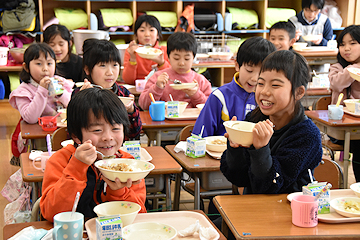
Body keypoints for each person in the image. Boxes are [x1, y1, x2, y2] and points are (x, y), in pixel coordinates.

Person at [221, 50, 322, 194]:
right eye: (260, 83)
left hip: (291, 210)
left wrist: (261, 149)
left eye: (275, 85)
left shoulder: (307, 135)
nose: (264, 92)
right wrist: (234, 148)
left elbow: (271, 186)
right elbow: (239, 178)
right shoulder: (254, 119)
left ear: (298, 92)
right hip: (254, 208)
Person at [40, 88, 147, 221]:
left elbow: (139, 216)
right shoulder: (60, 161)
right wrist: (77, 166)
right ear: (76, 136)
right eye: (97, 130)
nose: (108, 137)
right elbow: (51, 213)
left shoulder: (129, 164)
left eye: (115, 129)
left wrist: (118, 190)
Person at [192, 37, 276, 137]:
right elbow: (198, 136)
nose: (254, 79)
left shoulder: (269, 99)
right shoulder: (219, 97)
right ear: (237, 65)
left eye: (261, 74)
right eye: (249, 70)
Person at [9, 43, 74, 165]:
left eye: (49, 63)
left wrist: (61, 93)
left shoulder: (60, 82)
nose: (45, 68)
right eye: (39, 64)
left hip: (61, 132)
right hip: (38, 139)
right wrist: (42, 91)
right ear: (26, 67)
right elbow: (30, 118)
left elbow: (73, 106)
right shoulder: (23, 91)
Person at [74, 39, 142, 140]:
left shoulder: (123, 93)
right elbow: (74, 133)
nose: (110, 72)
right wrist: (81, 102)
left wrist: (131, 111)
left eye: (114, 65)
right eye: (102, 65)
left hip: (118, 150)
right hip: (90, 151)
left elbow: (134, 134)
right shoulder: (79, 93)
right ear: (87, 69)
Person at [139, 32, 212, 110]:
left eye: (187, 59)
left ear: (193, 58)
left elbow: (210, 108)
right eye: (176, 58)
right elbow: (144, 105)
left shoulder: (200, 81)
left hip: (192, 122)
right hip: (164, 121)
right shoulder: (158, 77)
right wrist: (157, 87)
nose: (181, 63)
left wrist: (196, 94)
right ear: (168, 57)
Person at [328, 25, 360, 182]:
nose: (346, 48)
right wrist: (354, 69)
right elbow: (336, 84)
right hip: (340, 129)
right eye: (342, 44)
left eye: (353, 43)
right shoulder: (337, 68)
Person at [122, 15, 171, 85]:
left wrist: (161, 63)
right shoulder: (131, 51)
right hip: (138, 91)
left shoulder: (165, 50)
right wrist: (132, 59)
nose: (147, 34)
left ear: (158, 35)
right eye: (142, 30)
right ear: (136, 35)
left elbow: (171, 78)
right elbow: (128, 81)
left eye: (151, 30)